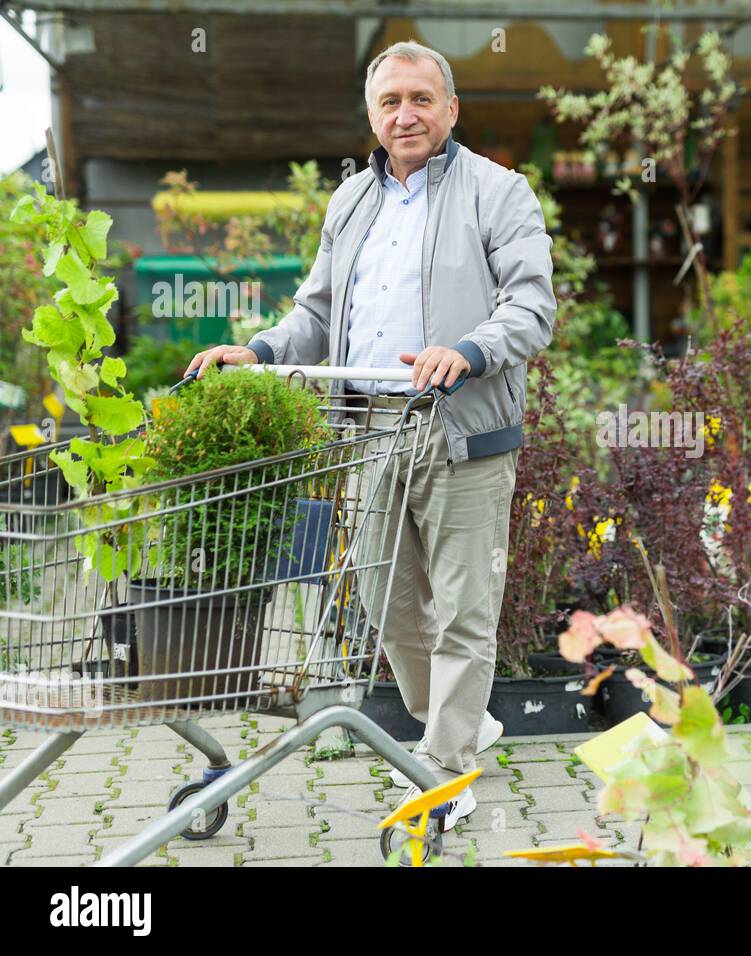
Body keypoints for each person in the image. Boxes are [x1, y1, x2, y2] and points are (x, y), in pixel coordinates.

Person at [186, 40, 556, 832]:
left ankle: (447, 774)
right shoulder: (351, 200)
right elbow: (317, 314)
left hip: (459, 426)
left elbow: (531, 307)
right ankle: (458, 722)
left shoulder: (500, 193)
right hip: (372, 430)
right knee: (386, 605)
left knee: (462, 611)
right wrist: (257, 351)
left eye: (422, 99)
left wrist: (469, 350)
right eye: (390, 102)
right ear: (372, 114)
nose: (406, 114)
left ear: (451, 109)